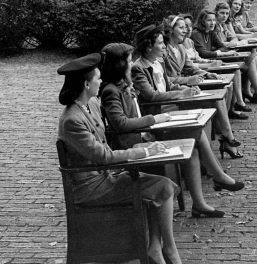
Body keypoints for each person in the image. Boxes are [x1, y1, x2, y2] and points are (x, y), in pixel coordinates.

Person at [56, 54, 183, 264]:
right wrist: (144, 152)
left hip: (106, 177)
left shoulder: (92, 105)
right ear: (86, 84)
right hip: (92, 188)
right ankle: (167, 251)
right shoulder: (72, 120)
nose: (100, 82)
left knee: (162, 186)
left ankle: (156, 248)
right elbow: (103, 155)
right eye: (97, 79)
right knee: (162, 186)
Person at [99, 43, 244, 218]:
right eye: (128, 62)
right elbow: (120, 124)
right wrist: (154, 119)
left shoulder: (123, 85)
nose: (131, 65)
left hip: (146, 132)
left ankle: (199, 203)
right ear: (119, 66)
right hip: (135, 142)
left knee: (193, 147)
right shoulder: (110, 91)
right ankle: (218, 176)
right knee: (196, 134)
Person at [131, 24, 243, 160]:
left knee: (208, 106)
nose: (164, 46)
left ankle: (212, 158)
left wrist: (185, 89)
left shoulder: (157, 62)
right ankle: (214, 158)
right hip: (159, 111)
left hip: (169, 104)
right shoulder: (139, 67)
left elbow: (169, 85)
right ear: (149, 46)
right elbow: (151, 96)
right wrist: (183, 93)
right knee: (206, 108)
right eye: (160, 43)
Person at [163, 14, 247, 121]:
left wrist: (206, 74)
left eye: (186, 27)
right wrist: (188, 80)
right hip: (176, 89)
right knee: (218, 94)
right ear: (170, 30)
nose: (185, 31)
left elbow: (190, 67)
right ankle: (223, 130)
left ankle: (223, 128)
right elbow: (167, 79)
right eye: (181, 28)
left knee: (225, 87)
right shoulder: (164, 51)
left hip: (185, 84)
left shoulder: (180, 47)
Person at [212, 3, 257, 104]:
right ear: (216, 13)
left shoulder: (223, 25)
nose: (224, 16)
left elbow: (233, 36)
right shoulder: (215, 26)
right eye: (222, 13)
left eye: (226, 13)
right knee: (252, 55)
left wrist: (233, 41)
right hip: (221, 56)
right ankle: (254, 90)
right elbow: (220, 44)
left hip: (228, 51)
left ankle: (252, 90)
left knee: (253, 54)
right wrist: (232, 42)